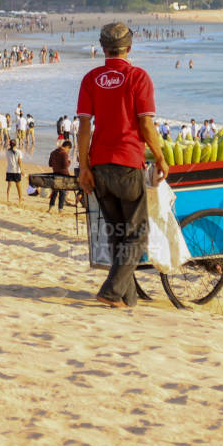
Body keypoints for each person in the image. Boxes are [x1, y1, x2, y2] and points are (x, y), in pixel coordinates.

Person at [76, 21, 161, 309]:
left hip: (99, 164)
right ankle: (112, 291)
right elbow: (146, 125)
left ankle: (127, 298)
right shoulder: (138, 77)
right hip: (127, 162)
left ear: (102, 48)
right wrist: (160, 157)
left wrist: (84, 167)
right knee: (137, 234)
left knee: (116, 231)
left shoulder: (91, 78)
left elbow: (84, 127)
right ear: (130, 47)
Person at [47, 138, 74, 212]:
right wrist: (69, 162)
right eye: (69, 149)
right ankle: (60, 209)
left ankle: (50, 207)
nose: (68, 151)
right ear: (67, 147)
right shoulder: (64, 153)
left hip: (55, 173)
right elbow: (65, 165)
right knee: (62, 193)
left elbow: (50, 164)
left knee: (54, 192)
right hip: (63, 175)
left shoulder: (53, 152)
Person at [4, 138, 25, 203]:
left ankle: (8, 198)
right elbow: (19, 162)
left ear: (10, 145)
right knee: (18, 186)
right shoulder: (19, 152)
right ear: (16, 144)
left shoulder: (7, 151)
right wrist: (21, 170)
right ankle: (20, 199)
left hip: (9, 170)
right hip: (16, 171)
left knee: (9, 185)